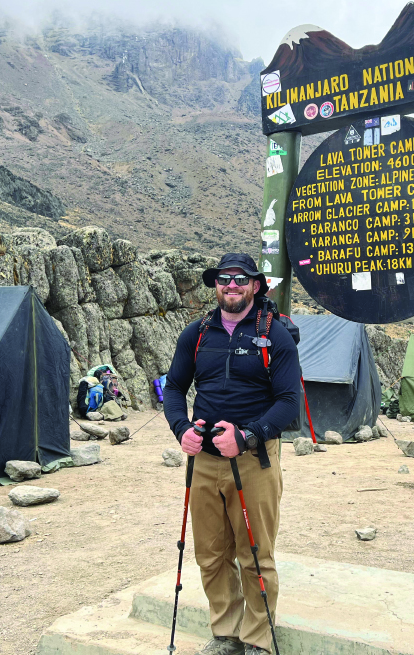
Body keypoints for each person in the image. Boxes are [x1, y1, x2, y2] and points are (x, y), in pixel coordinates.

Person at [164, 253, 300, 655]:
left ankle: (258, 640)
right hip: (204, 461)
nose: (232, 286)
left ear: (256, 286)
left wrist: (248, 435)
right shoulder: (197, 333)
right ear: (216, 285)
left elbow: (290, 401)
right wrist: (181, 429)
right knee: (210, 553)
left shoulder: (275, 334)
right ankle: (226, 633)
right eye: (224, 279)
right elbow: (172, 388)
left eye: (241, 280)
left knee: (255, 554)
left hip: (253, 460)